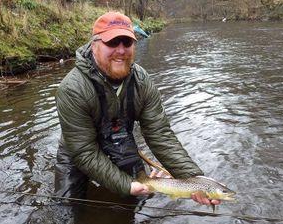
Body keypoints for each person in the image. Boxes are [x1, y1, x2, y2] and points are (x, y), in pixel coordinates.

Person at [55, 11, 220, 206]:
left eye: (127, 42)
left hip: (119, 141)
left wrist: (195, 180)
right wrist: (125, 184)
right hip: (79, 149)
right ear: (94, 45)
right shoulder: (72, 88)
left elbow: (159, 134)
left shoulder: (141, 81)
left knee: (135, 199)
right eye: (113, 42)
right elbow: (84, 152)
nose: (121, 50)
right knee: (66, 208)